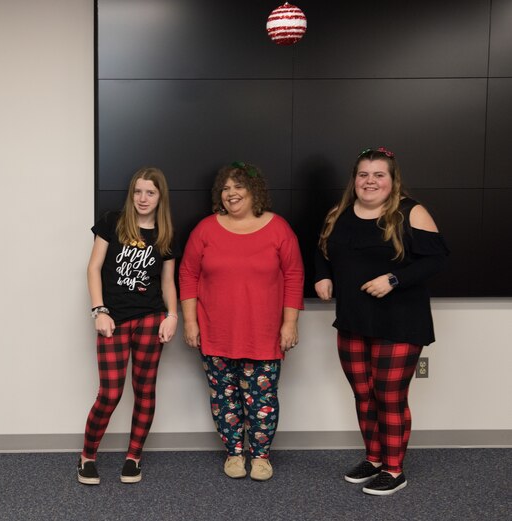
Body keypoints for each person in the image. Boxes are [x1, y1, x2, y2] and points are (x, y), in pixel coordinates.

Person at [314, 147, 448, 496]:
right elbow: (322, 250)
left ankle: (394, 469)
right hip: (353, 320)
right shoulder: (340, 212)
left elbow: (437, 258)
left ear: (392, 180)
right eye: (363, 174)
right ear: (354, 179)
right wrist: (322, 276)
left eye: (378, 175)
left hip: (401, 321)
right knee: (363, 393)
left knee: (389, 396)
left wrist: (393, 280)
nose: (369, 181)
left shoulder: (410, 212)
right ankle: (374, 459)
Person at [179, 162, 304, 481]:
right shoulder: (205, 229)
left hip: (263, 334)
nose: (231, 193)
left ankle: (260, 456)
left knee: (263, 401)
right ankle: (234, 453)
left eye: (238, 186)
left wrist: (290, 323)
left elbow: (293, 275)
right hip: (216, 332)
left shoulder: (279, 228)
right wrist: (190, 322)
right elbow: (188, 274)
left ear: (255, 190)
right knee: (224, 399)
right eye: (225, 188)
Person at [78, 167, 178, 485]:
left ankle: (134, 457)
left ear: (160, 196)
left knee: (145, 390)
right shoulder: (112, 222)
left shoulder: (164, 234)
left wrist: (173, 315)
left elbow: (167, 282)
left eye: (150, 192)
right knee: (109, 393)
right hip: (114, 319)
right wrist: (99, 311)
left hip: (150, 319)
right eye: (138, 191)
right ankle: (87, 457)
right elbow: (93, 268)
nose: (142, 198)